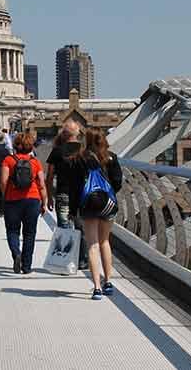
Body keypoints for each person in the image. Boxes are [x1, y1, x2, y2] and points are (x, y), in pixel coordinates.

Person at [65, 127, 123, 300]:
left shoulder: (78, 159)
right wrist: (109, 194)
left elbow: (74, 188)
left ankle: (96, 287)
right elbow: (118, 181)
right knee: (105, 241)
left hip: (87, 205)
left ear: (86, 141)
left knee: (92, 245)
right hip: (107, 205)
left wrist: (73, 210)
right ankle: (108, 282)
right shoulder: (111, 157)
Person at [0, 133, 48, 274]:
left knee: (12, 231)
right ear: (30, 147)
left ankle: (16, 254)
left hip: (12, 200)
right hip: (32, 200)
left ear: (15, 146)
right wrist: (44, 202)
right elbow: (42, 184)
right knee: (29, 234)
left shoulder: (8, 160)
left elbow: (3, 181)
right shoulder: (35, 162)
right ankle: (26, 266)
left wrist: (6, 194)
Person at [46, 119, 88, 269]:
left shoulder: (57, 151)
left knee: (64, 228)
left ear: (64, 134)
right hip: (81, 195)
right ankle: (83, 260)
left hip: (63, 193)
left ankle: (65, 261)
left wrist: (49, 197)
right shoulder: (84, 151)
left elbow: (49, 176)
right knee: (81, 228)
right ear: (78, 134)